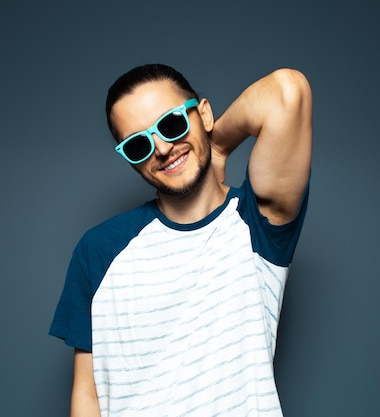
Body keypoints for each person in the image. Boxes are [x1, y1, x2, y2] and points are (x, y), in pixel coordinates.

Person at [49, 63, 312, 416]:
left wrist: (218, 146)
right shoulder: (99, 249)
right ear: (130, 161)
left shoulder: (256, 225)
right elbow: (88, 394)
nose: (162, 148)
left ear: (204, 113)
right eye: (139, 144)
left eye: (172, 124)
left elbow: (287, 91)